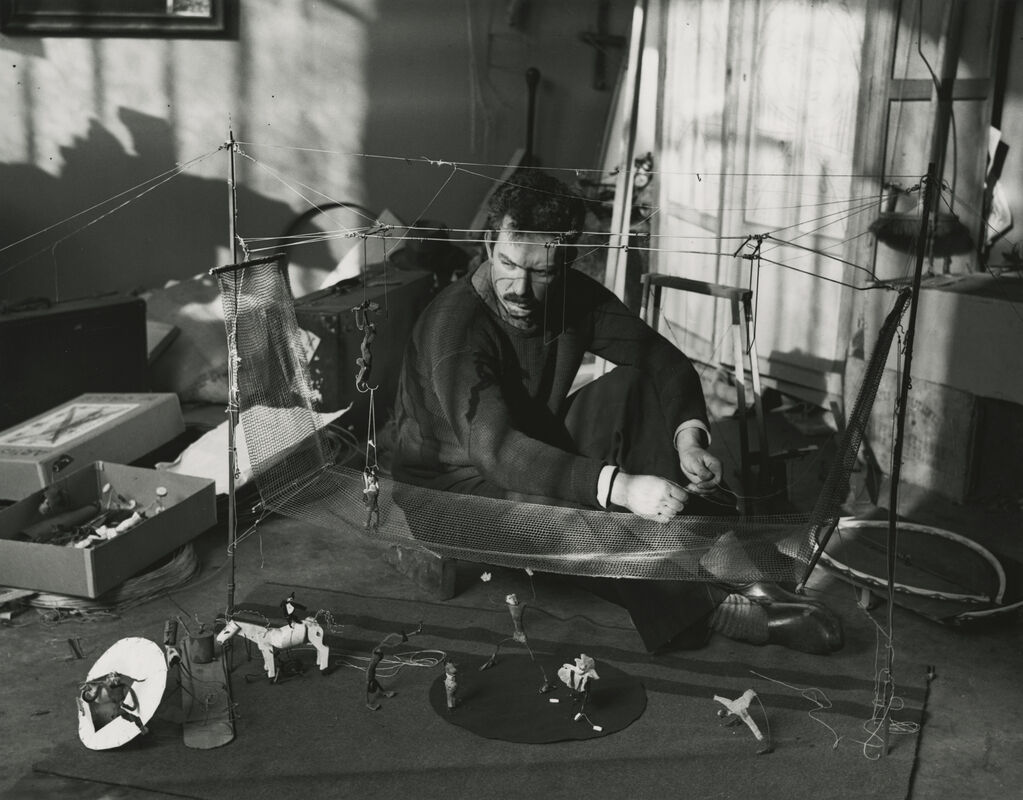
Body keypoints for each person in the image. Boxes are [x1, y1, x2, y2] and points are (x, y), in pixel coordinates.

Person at [393, 169, 841, 655]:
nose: (520, 287)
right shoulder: (454, 327)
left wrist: (688, 438)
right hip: (454, 491)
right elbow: (496, 451)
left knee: (635, 382)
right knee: (586, 513)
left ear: (565, 260)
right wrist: (622, 487)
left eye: (541, 272)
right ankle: (709, 607)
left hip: (533, 445)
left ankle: (719, 554)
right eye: (508, 263)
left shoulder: (571, 296)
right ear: (487, 242)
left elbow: (662, 360)